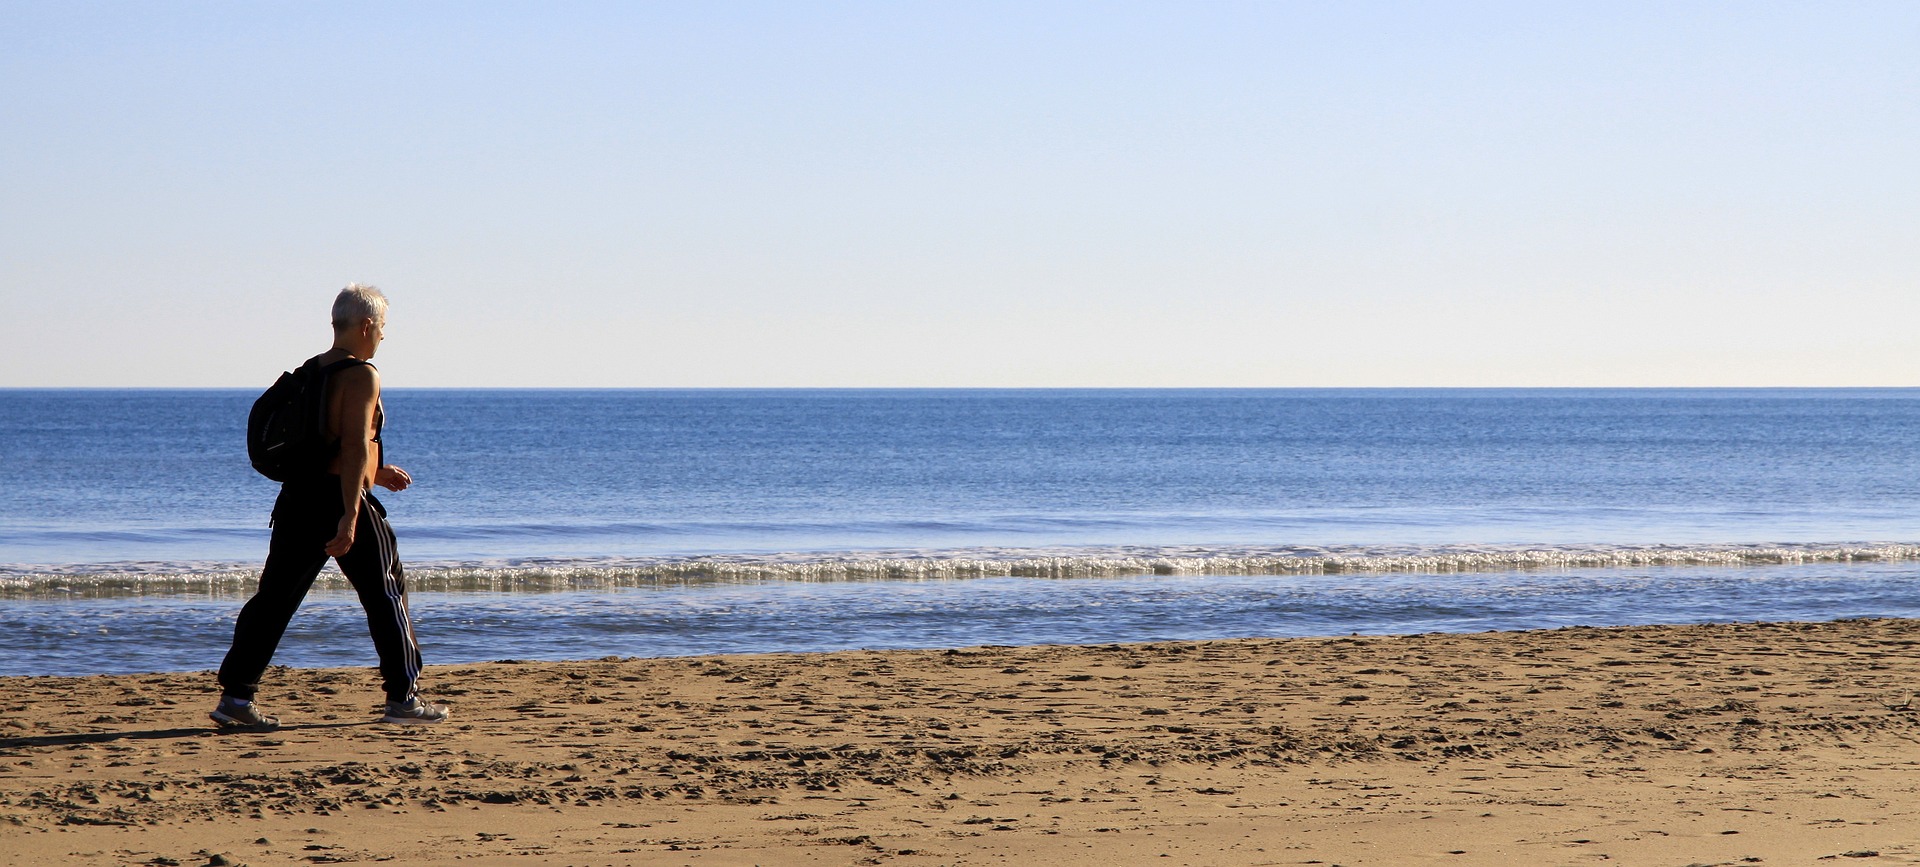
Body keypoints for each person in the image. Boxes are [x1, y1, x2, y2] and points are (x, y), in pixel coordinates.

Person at [212, 284, 448, 728]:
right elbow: (356, 442)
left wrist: (375, 473)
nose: (382, 336)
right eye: (382, 328)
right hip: (339, 499)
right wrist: (352, 513)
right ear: (365, 326)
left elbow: (321, 443)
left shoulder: (309, 373)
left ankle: (236, 699)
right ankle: (404, 698)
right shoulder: (362, 374)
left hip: (297, 500)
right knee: (386, 594)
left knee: (274, 600)